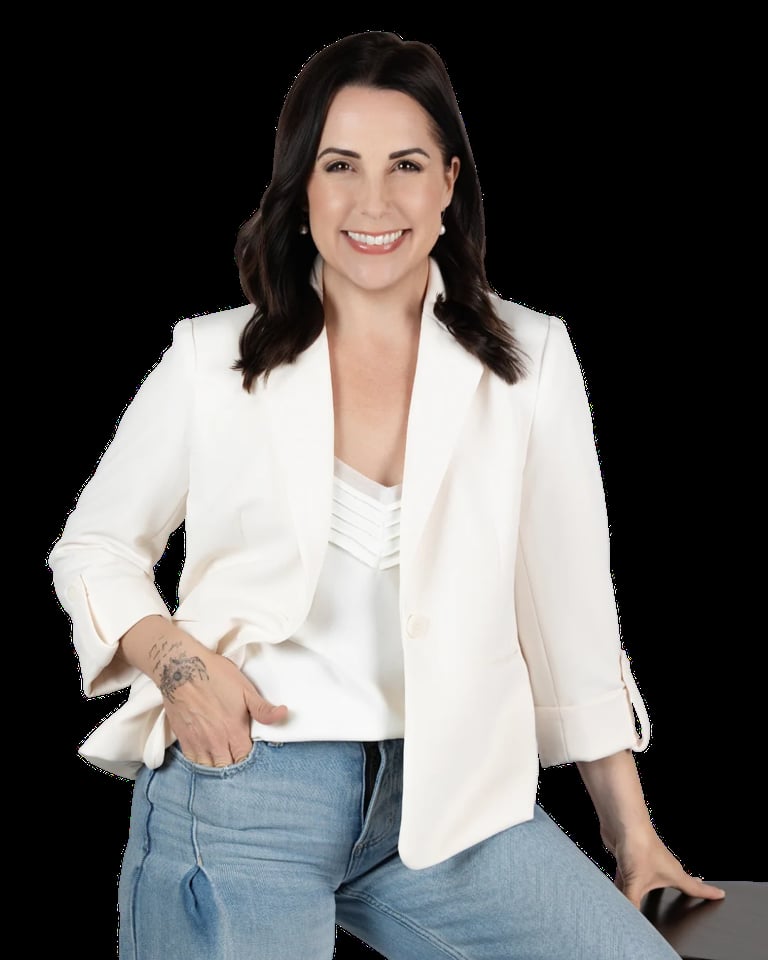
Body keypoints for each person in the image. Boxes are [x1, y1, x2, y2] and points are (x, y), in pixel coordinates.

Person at [48, 30, 725, 960]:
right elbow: (93, 545)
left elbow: (571, 616)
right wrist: (178, 664)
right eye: (341, 166)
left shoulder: (532, 360)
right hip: (247, 784)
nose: (374, 201)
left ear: (449, 182)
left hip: (453, 802)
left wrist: (632, 837)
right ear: (304, 191)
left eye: (405, 164)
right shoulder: (211, 358)